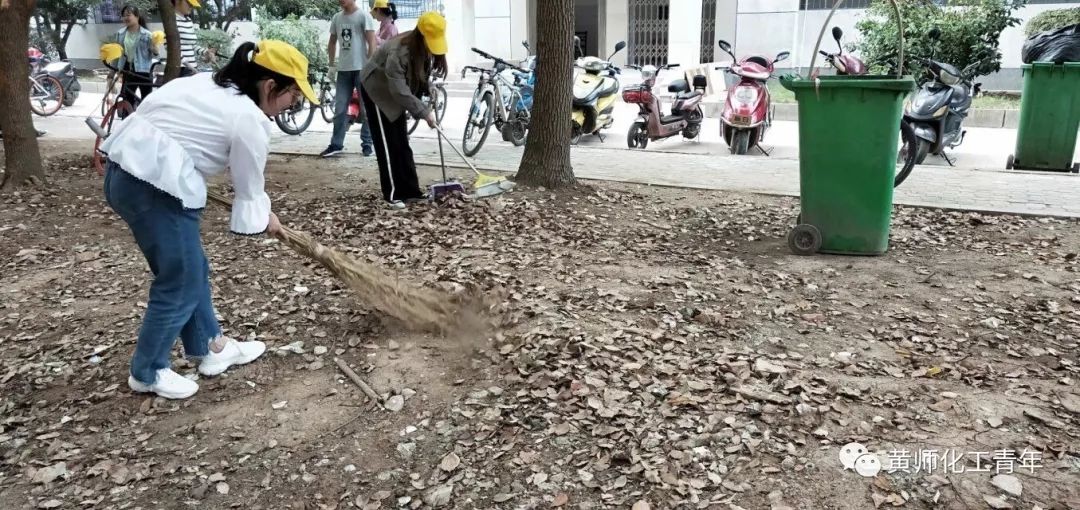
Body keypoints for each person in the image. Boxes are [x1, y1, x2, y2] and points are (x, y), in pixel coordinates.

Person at [99, 40, 318, 400]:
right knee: (180, 278)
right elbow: (249, 186)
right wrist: (262, 215)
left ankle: (212, 347)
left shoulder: (206, 82)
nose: (292, 104)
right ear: (270, 86)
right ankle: (147, 371)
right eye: (293, 94)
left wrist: (260, 209)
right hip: (156, 187)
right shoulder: (249, 118)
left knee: (191, 267)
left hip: (124, 173)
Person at [360, 11, 446, 208]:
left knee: (401, 142)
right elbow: (398, 89)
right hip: (376, 90)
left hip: (394, 91)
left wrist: (428, 88)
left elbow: (415, 75)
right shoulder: (399, 51)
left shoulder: (420, 48)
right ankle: (392, 194)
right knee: (387, 144)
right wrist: (424, 112)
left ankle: (410, 191)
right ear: (421, 35)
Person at [320, 0, 377, 158]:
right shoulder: (337, 18)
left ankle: (367, 143)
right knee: (339, 109)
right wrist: (331, 65)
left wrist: (370, 64)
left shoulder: (363, 16)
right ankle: (336, 144)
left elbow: (372, 41)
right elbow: (332, 42)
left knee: (366, 109)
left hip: (361, 69)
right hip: (343, 70)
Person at [113, 5, 159, 114]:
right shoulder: (120, 34)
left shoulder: (147, 35)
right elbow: (117, 54)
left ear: (137, 16)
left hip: (144, 72)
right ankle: (127, 120)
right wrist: (114, 71)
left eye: (128, 15)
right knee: (127, 100)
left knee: (146, 101)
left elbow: (156, 55)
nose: (125, 18)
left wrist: (154, 49)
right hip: (128, 71)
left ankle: (144, 121)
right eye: (124, 16)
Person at [171, 0, 202, 76]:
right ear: (177, 1)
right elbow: (170, 47)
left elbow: (193, 45)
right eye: (189, 3)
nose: (191, 6)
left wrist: (205, 52)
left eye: (192, 4)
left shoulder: (189, 21)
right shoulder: (171, 21)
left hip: (193, 68)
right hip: (180, 69)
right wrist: (189, 66)